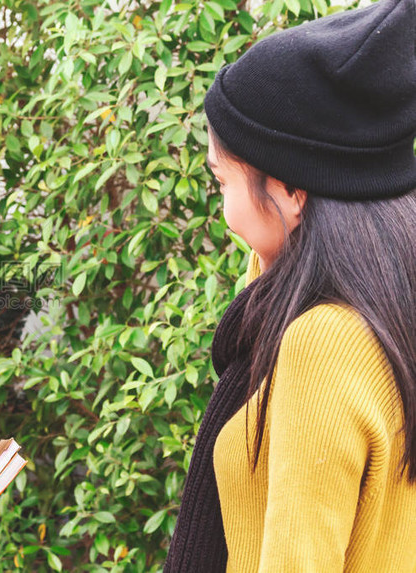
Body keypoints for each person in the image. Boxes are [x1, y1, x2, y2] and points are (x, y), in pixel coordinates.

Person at [165, 0, 416, 571]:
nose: (223, 207)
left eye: (221, 179)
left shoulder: (321, 345)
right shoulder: (389, 305)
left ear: (291, 193)